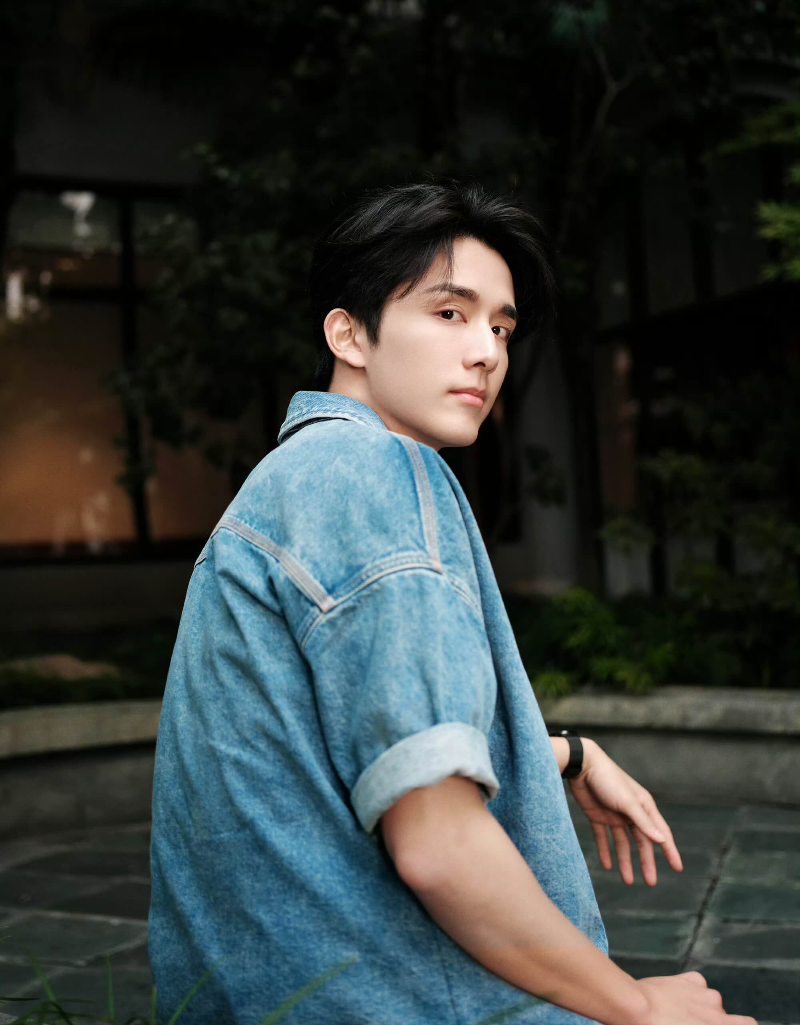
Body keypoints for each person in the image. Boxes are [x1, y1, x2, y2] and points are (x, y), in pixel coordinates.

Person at [148, 179, 756, 1025]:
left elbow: (339, 745)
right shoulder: (375, 472)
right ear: (348, 334)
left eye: (501, 326)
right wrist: (639, 1012)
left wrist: (568, 755)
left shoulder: (295, 480)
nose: (486, 352)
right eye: (449, 313)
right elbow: (438, 846)